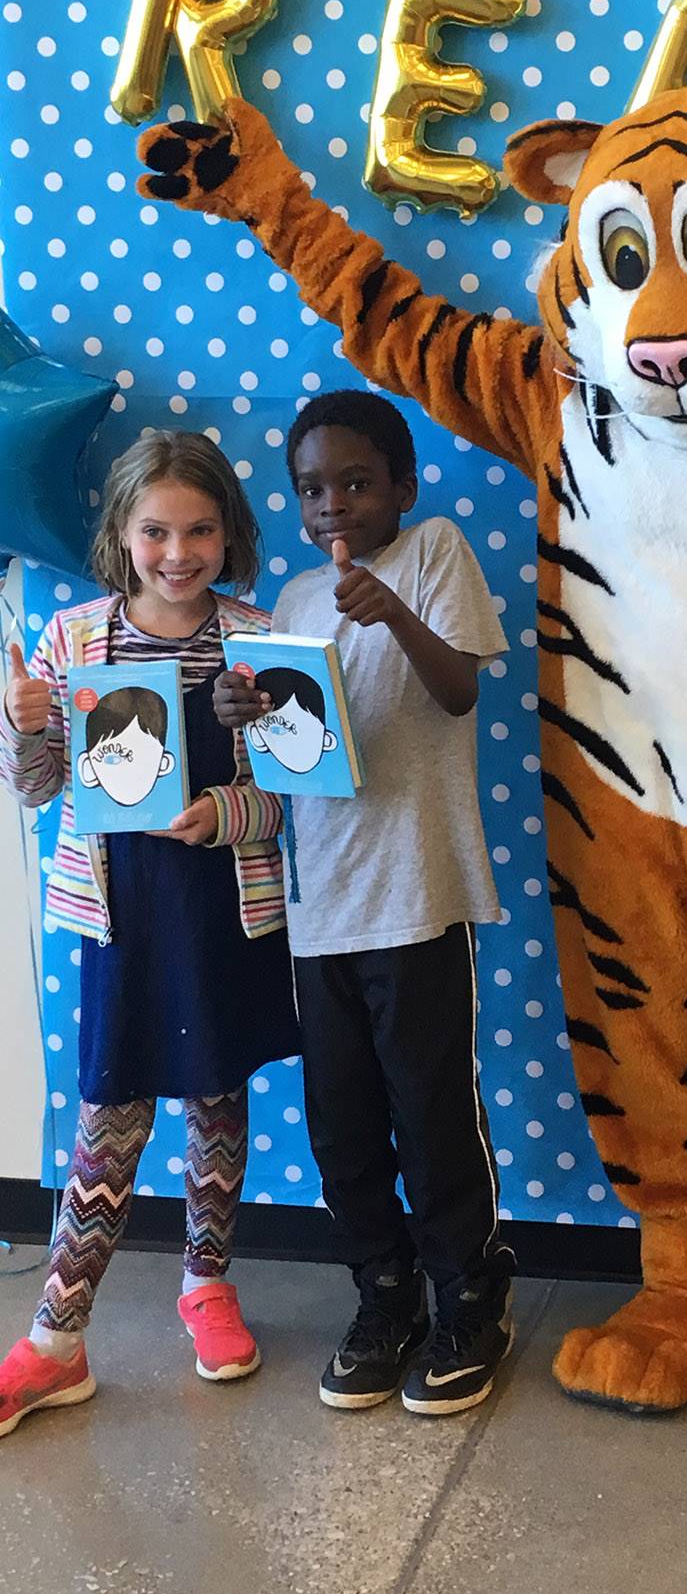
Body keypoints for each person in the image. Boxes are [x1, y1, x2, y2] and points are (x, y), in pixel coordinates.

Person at [214, 388, 514, 1416]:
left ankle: (470, 1295)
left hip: (416, 892)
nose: (332, 504)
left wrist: (393, 609)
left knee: (430, 1111)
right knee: (341, 1120)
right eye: (311, 489)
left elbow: (460, 691)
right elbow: (291, 751)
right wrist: (237, 713)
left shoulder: (434, 554)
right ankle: (381, 1295)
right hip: (321, 902)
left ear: (402, 486)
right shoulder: (295, 602)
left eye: (354, 482)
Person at [0, 431, 299, 1439]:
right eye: (157, 530)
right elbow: (41, 794)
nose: (180, 550)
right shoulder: (76, 642)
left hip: (223, 906)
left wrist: (225, 812)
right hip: (120, 915)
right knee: (110, 1109)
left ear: (230, 532)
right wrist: (23, 726)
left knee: (219, 1096)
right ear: (121, 536)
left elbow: (297, 794)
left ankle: (205, 1284)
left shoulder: (259, 636)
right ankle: (56, 1339)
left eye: (201, 529)